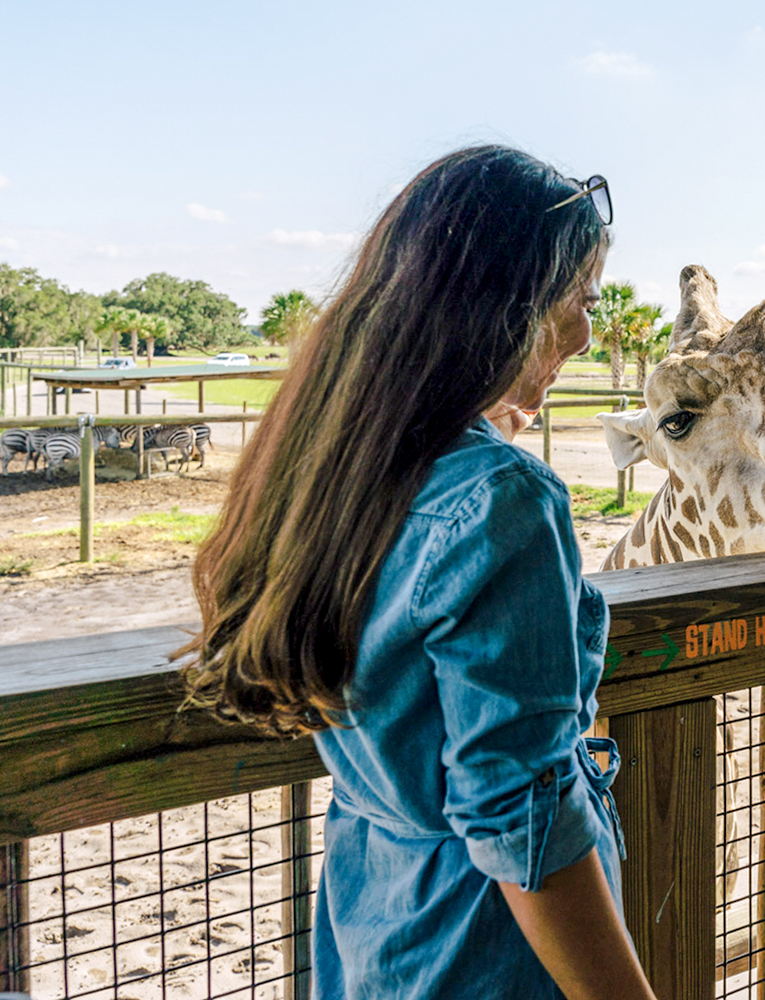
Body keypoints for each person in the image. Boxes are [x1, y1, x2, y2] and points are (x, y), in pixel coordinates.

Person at [177, 146, 657, 1000]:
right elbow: (524, 818)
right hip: (493, 950)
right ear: (503, 306)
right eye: (578, 301)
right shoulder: (503, 498)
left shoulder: (330, 467)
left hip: (377, 918)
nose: (585, 332)